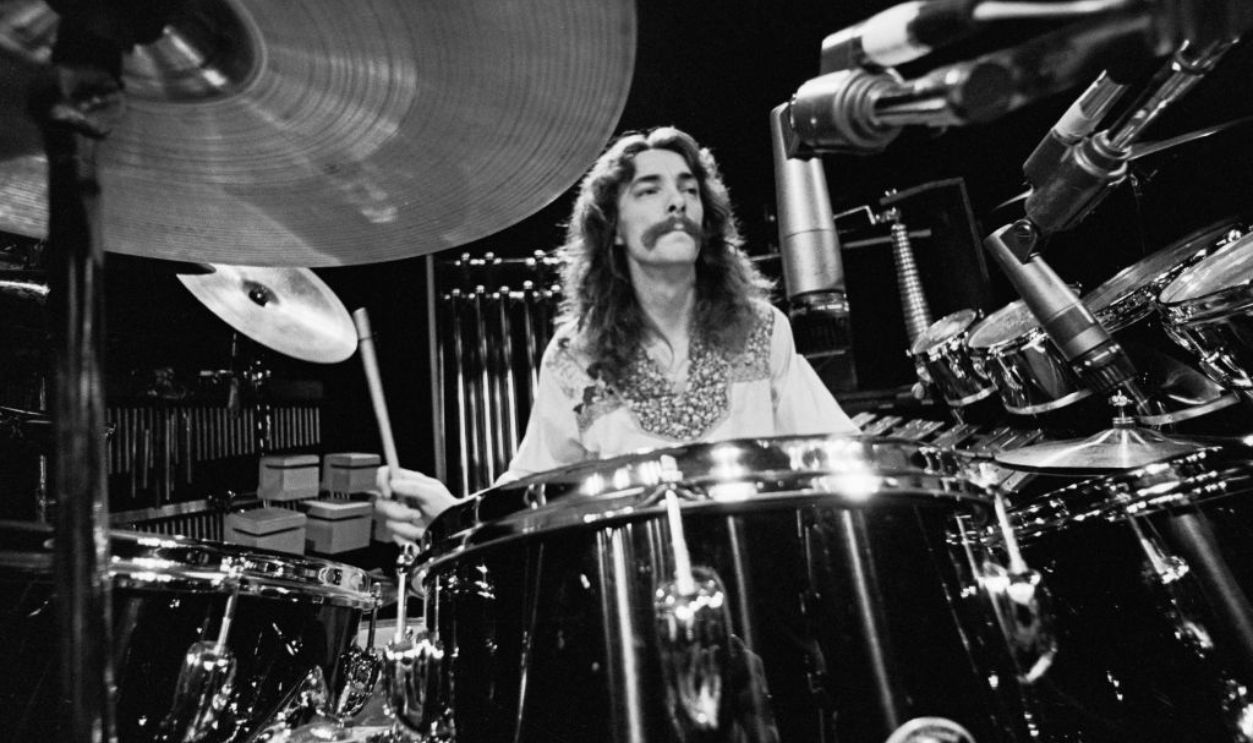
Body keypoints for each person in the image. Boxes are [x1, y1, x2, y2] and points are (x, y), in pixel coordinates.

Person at [376, 125, 858, 542]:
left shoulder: (761, 329)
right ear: (615, 230)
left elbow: (840, 454)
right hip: (635, 605)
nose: (678, 201)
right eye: (650, 190)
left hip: (765, 595)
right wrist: (452, 514)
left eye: (690, 189)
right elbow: (529, 491)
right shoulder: (576, 358)